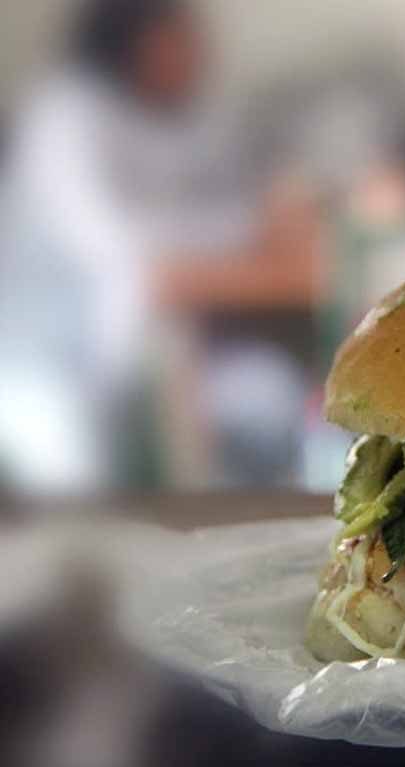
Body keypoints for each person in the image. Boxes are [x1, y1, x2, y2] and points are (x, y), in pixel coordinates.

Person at [0, 0, 318, 491]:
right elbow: (118, 243)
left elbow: (251, 199)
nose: (197, 56)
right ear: (133, 44)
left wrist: (275, 213)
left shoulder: (190, 119)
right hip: (47, 361)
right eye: (179, 42)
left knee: (270, 396)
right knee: (80, 479)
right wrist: (253, 227)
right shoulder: (67, 116)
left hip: (168, 345)